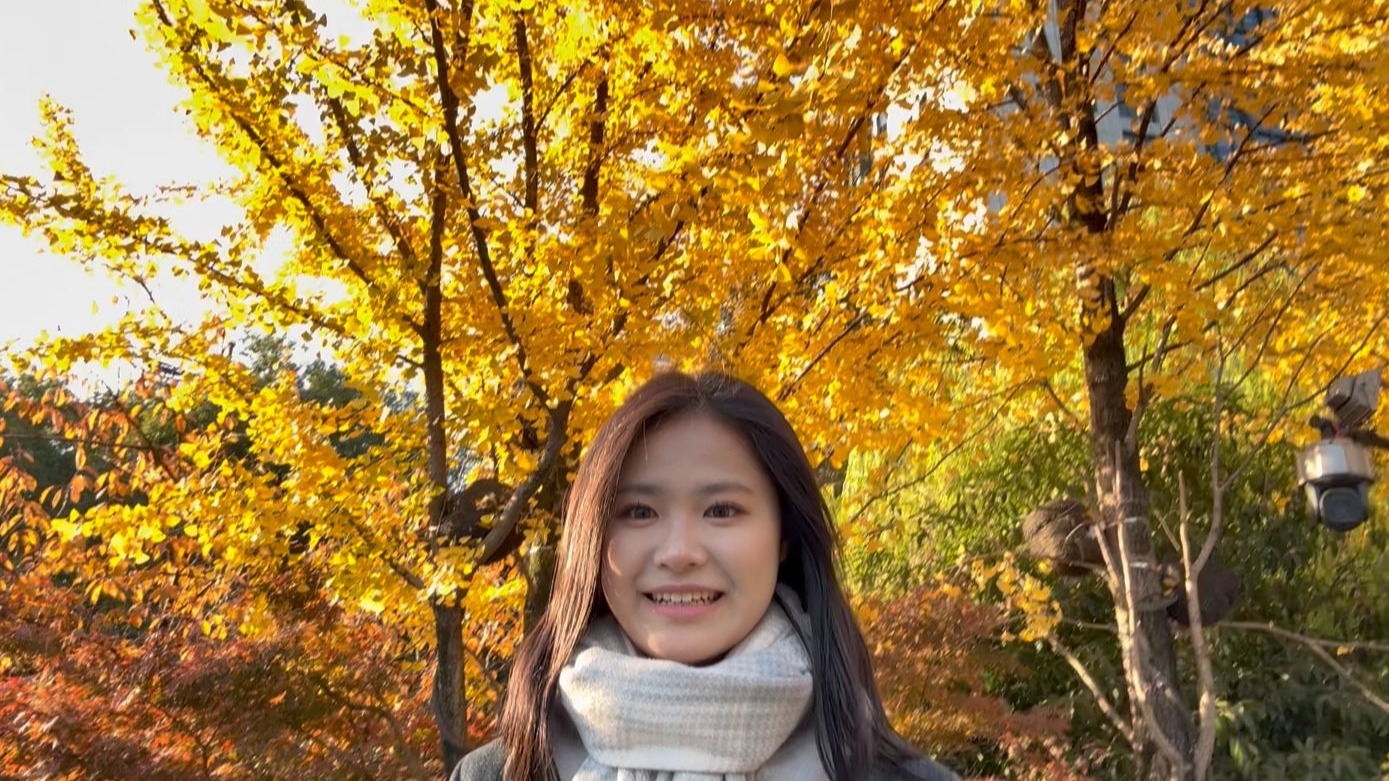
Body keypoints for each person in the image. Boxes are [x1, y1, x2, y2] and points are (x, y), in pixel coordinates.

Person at [451, 371, 959, 781]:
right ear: (594, 540)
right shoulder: (497, 774)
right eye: (639, 512)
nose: (679, 553)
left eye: (721, 510)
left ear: (785, 535)